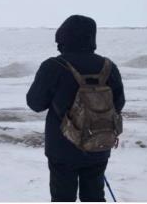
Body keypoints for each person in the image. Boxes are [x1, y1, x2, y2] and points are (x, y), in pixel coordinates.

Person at [26, 15, 125, 202]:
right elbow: (118, 104)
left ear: (62, 36)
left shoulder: (53, 66)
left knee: (62, 198)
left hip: (62, 148)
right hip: (99, 144)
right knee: (95, 196)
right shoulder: (109, 67)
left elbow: (35, 103)